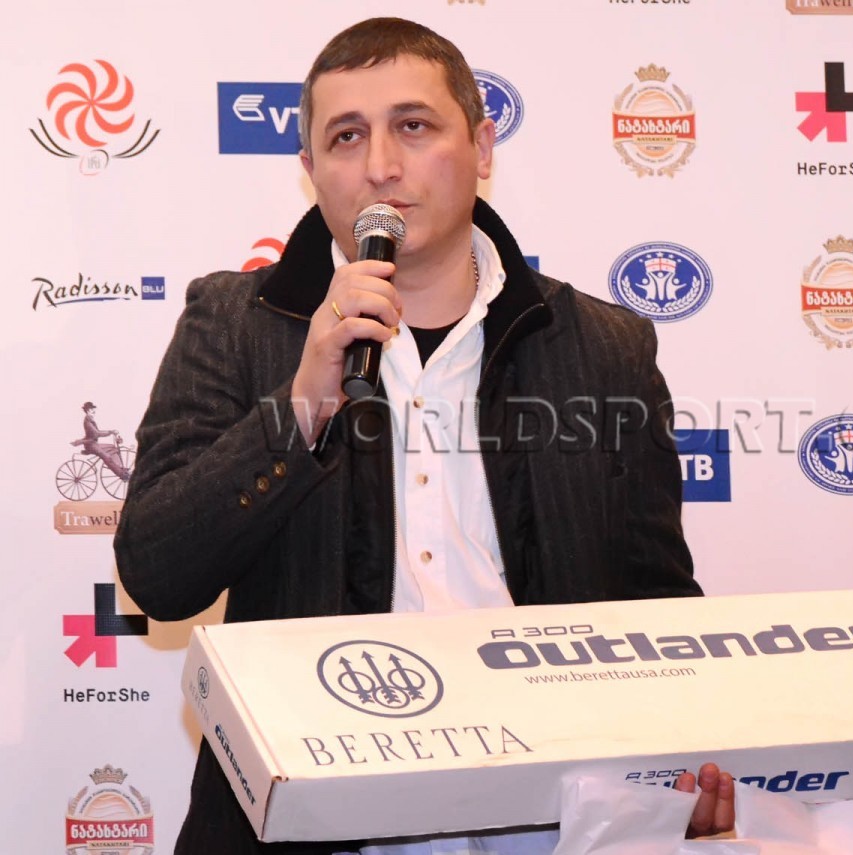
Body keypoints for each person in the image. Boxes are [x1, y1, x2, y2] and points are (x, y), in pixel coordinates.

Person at [114, 16, 733, 855]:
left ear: (482, 146)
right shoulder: (235, 323)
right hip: (314, 820)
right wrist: (300, 409)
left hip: (551, 822)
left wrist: (685, 772)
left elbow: (656, 605)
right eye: (346, 136)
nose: (380, 165)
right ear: (310, 169)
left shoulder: (603, 345)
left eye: (413, 125)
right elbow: (158, 575)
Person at [74, 401, 130, 481]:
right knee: (107, 457)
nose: (93, 411)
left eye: (93, 409)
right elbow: (97, 433)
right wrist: (110, 432)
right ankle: (122, 475)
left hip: (94, 444)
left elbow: (98, 431)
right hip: (91, 445)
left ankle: (120, 467)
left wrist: (111, 431)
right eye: (91, 410)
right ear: (87, 411)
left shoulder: (91, 420)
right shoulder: (88, 422)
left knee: (112, 447)